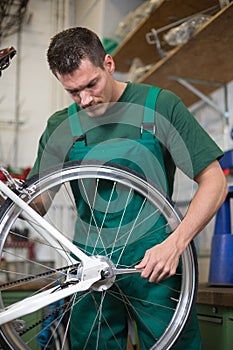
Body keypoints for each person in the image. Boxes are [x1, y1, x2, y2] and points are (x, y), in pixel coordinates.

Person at [29, 27, 227, 349]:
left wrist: (176, 244)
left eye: (91, 84)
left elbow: (214, 181)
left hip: (155, 261)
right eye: (73, 92)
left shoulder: (159, 105)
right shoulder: (60, 126)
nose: (86, 100)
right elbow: (39, 202)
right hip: (89, 265)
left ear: (109, 63)